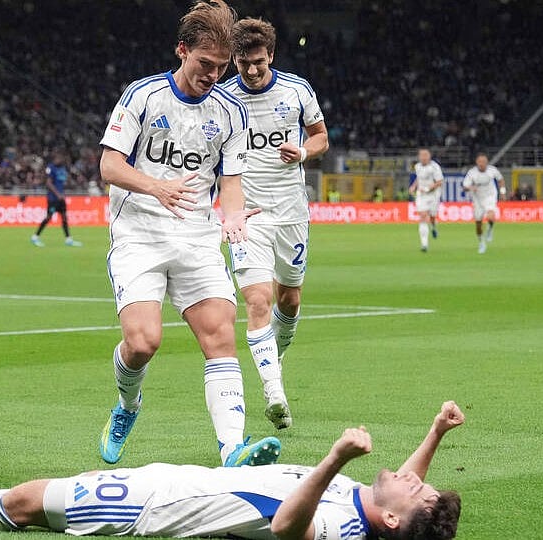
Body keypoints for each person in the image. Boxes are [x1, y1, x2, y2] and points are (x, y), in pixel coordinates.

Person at [0, 401, 465, 540]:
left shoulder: (341, 528)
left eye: (415, 491)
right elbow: (402, 490)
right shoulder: (372, 507)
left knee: (30, 502)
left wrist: (333, 458)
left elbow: (286, 530)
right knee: (37, 493)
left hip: (154, 510)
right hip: (176, 481)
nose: (411, 476)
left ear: (388, 519)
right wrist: (433, 434)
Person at [96, 0, 278, 467]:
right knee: (142, 343)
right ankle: (127, 407)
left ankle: (232, 449)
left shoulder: (231, 113)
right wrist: (156, 186)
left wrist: (233, 218)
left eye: (221, 67)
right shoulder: (143, 96)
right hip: (139, 234)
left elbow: (231, 184)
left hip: (197, 236)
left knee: (220, 336)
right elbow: (109, 165)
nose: (213, 75)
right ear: (182, 50)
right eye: (204, 64)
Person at [221, 18, 329, 430]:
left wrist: (302, 151)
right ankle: (273, 392)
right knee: (258, 300)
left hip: (291, 211)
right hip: (247, 214)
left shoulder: (297, 90)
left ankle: (276, 361)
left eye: (259, 63)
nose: (251, 70)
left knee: (290, 300)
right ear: (234, 59)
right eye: (244, 63)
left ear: (272, 56)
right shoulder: (222, 97)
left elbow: (320, 137)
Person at [31, 153, 82, 247]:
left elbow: (64, 182)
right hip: (53, 199)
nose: (60, 160)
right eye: (59, 158)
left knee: (64, 218)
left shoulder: (63, 169)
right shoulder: (51, 168)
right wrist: (58, 194)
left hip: (61, 198)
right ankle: (35, 237)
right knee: (48, 217)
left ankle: (68, 239)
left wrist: (72, 181)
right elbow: (48, 183)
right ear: (56, 158)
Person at [461, 153, 505, 254]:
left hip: (490, 196)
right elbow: (464, 186)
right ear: (477, 162)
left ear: (487, 162)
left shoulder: (492, 170)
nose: (482, 164)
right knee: (478, 224)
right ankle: (481, 242)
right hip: (477, 199)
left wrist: (502, 192)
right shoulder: (472, 173)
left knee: (490, 216)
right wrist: (471, 188)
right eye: (480, 162)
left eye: (484, 162)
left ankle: (490, 229)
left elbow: (501, 180)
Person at [410, 148, 444, 252]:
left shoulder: (434, 167)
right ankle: (424, 244)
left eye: (426, 155)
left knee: (432, 217)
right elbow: (419, 178)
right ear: (419, 157)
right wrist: (413, 186)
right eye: (422, 155)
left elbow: (439, 182)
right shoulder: (417, 166)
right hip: (421, 195)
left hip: (433, 195)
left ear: (429, 156)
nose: (424, 157)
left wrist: (428, 188)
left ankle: (433, 227)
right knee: (423, 216)